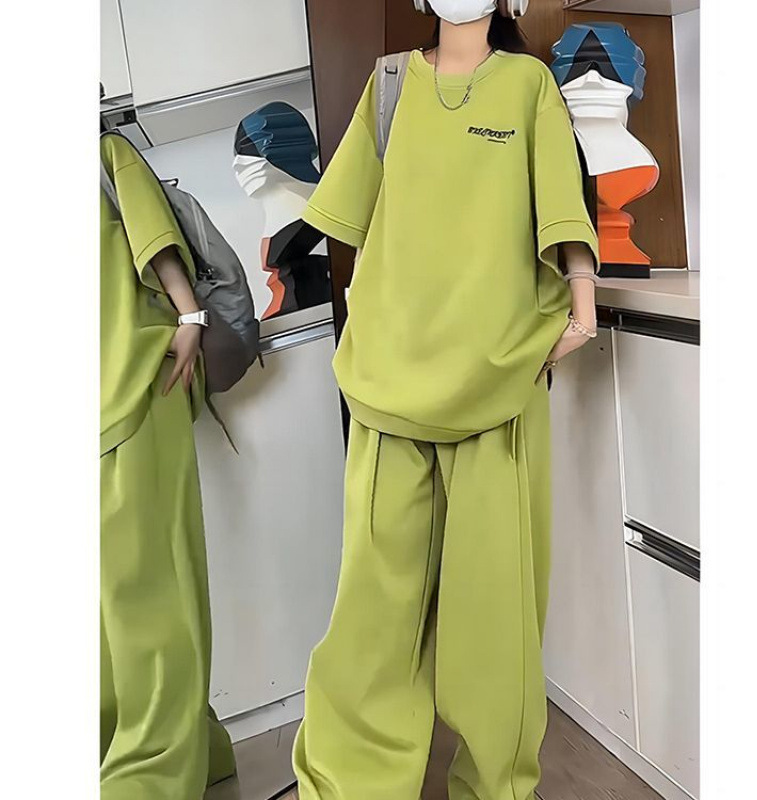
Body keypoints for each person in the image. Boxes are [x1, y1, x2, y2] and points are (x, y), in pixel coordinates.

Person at [292, 2, 599, 799]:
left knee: (494, 615)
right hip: (388, 384)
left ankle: (495, 786)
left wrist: (582, 303)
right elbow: (348, 213)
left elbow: (560, 200)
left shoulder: (528, 84)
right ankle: (347, 784)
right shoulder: (389, 83)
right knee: (371, 613)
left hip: (495, 379)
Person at [100, 131, 235, 799]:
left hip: (132, 393)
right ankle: (181, 757)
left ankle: (153, 772)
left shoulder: (101, 153)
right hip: (114, 403)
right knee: (135, 604)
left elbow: (156, 243)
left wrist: (191, 316)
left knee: (137, 602)